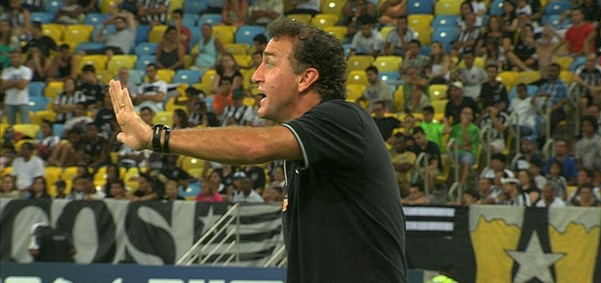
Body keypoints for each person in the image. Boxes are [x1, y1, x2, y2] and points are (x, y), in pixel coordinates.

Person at [108, 19, 407, 282]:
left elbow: (254, 146)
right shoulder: (307, 149)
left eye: (271, 63)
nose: (255, 75)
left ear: (306, 78)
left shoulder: (343, 119)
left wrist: (155, 138)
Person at [1, 50, 32, 125]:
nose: (14, 60)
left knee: (25, 124)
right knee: (10, 125)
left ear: (20, 58)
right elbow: (2, 87)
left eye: (15, 57)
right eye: (12, 58)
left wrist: (9, 83)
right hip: (9, 101)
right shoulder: (6, 71)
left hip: (23, 101)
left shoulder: (27, 70)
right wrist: (17, 82)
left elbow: (22, 86)